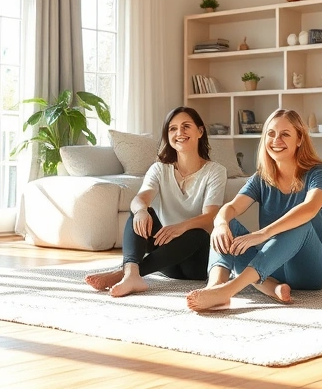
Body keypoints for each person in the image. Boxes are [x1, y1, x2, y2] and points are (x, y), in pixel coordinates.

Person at [187, 109, 322, 312]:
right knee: (228, 225)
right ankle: (216, 288)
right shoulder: (262, 178)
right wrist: (221, 224)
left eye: (285, 134)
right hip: (273, 265)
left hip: (312, 269)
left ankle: (230, 290)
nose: (276, 140)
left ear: (299, 139)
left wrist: (263, 234)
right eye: (271, 133)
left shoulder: (318, 172)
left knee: (299, 223)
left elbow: (310, 207)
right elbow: (232, 207)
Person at [85, 107, 227, 297]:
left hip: (196, 262)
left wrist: (180, 228)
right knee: (139, 212)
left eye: (186, 126)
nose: (179, 133)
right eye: (173, 129)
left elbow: (210, 217)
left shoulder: (215, 171)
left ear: (200, 131)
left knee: (198, 234)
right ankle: (132, 274)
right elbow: (140, 198)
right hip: (167, 259)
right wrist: (141, 211)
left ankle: (123, 273)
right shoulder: (159, 169)